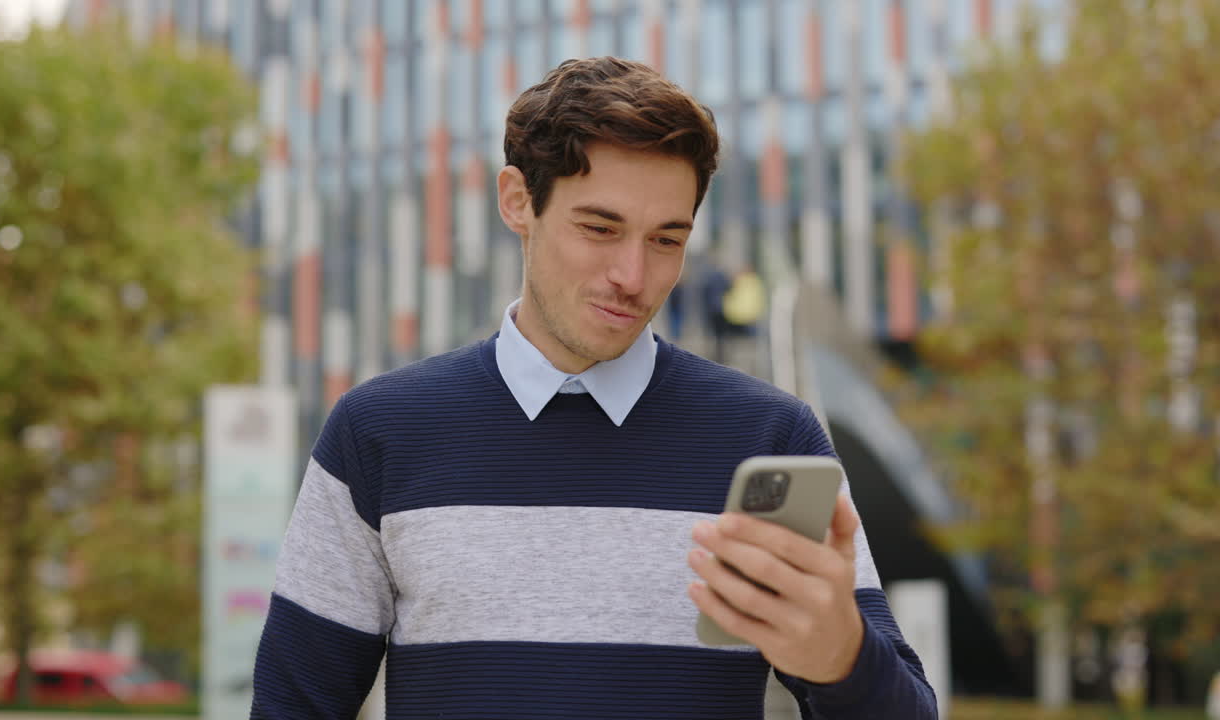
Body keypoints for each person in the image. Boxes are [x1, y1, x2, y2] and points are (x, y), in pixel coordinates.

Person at [250, 56, 936, 719]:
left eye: (666, 239)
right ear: (518, 201)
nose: (632, 276)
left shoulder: (769, 440)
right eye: (600, 228)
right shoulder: (378, 434)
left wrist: (843, 656)